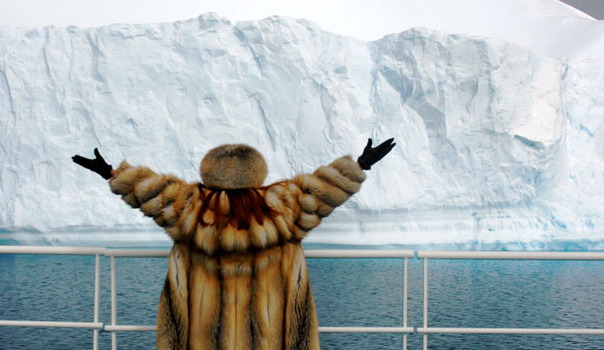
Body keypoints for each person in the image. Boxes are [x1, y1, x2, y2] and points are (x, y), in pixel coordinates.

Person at [73, 139, 395, 349]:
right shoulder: (284, 207)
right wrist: (360, 164)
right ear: (256, 172)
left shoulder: (189, 207)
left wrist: (111, 172)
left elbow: (147, 191)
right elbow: (326, 189)